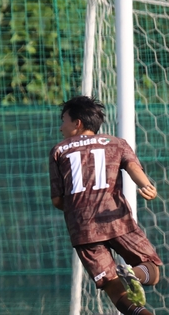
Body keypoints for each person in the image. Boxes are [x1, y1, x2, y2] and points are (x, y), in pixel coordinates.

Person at [49, 95, 163, 315]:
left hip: (83, 229)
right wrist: (147, 185)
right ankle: (132, 273)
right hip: (116, 219)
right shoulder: (116, 143)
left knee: (112, 286)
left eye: (63, 120)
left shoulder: (59, 150)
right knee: (152, 270)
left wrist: (77, 209)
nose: (61, 127)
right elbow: (133, 168)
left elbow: (57, 200)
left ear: (77, 122)